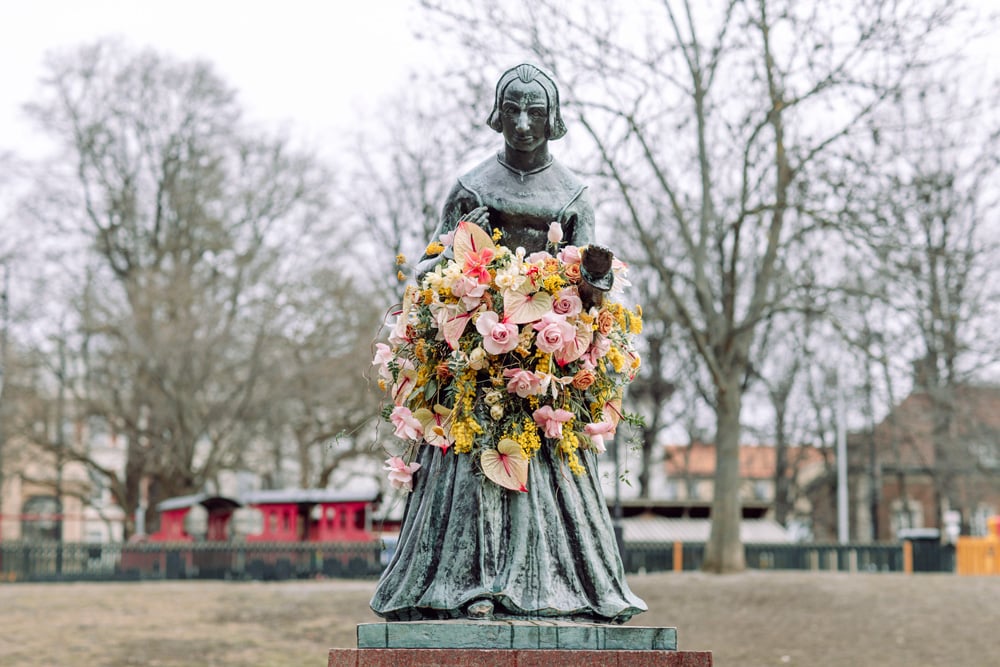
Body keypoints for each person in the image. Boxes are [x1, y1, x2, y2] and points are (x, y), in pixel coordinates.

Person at [370, 64, 646, 624]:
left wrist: (594, 283)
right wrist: (449, 257)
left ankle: (563, 587)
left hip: (548, 366)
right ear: (499, 113)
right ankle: (464, 583)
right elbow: (423, 276)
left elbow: (593, 283)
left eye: (536, 111)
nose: (523, 123)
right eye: (513, 109)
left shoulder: (573, 193)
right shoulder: (472, 186)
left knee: (550, 475)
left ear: (553, 117)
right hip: (475, 367)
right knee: (475, 477)